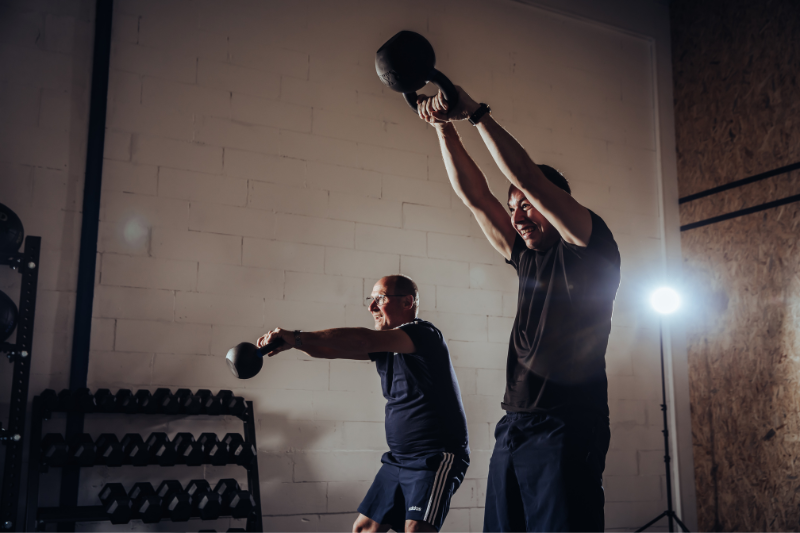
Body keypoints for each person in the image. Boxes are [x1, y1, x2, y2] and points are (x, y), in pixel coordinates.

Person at [415, 88, 621, 532]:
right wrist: (443, 129)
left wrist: (474, 113)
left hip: (567, 425)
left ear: (554, 203)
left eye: (526, 205)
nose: (518, 215)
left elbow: (528, 176)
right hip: (514, 425)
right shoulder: (525, 256)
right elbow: (476, 197)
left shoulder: (590, 247)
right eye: (513, 209)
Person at [257, 275, 469, 533]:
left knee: (416, 529)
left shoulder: (424, 334)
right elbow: (330, 349)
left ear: (407, 302)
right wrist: (293, 343)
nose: (371, 307)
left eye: (379, 299)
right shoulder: (387, 346)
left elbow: (363, 340)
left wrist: (296, 336)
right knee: (364, 528)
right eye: (371, 300)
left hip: (435, 457)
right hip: (398, 459)